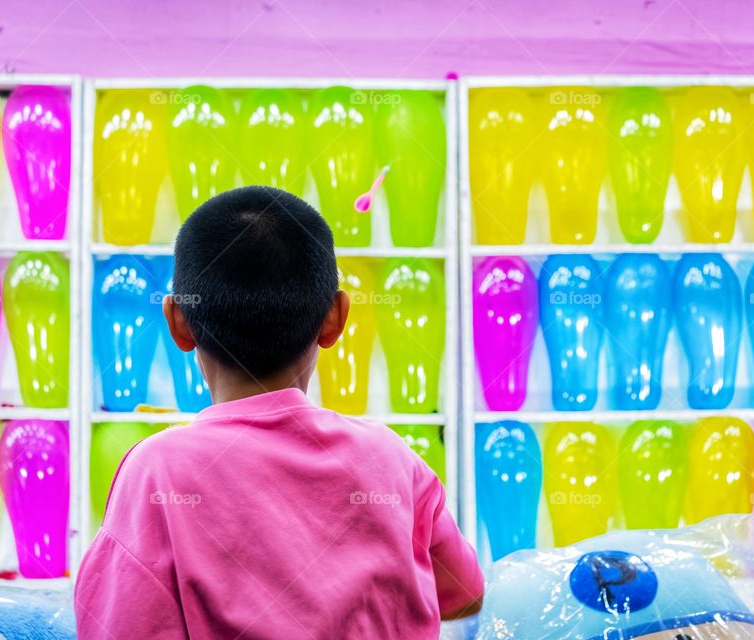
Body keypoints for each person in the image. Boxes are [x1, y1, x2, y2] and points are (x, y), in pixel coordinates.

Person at [75, 186, 483, 639]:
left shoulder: (158, 471)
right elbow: (465, 593)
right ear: (336, 318)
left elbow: (116, 625)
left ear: (178, 323)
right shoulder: (390, 456)